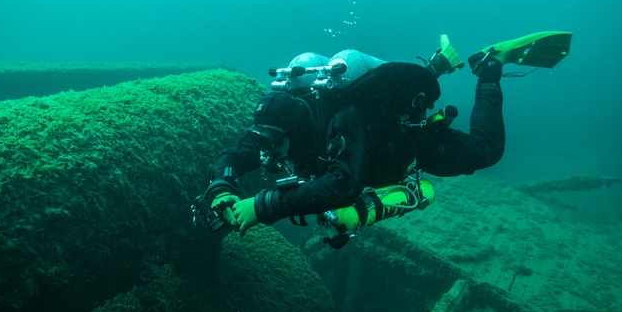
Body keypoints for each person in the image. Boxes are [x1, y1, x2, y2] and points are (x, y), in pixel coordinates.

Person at [195, 32, 571, 248]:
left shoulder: (344, 119)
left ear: (295, 129)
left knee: (487, 151)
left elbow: (344, 185)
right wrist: (222, 187)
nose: (271, 155)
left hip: (408, 146)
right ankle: (438, 65)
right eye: (267, 143)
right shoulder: (283, 120)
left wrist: (260, 207)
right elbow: (238, 152)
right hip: (372, 155)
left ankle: (490, 67)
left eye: (275, 146)